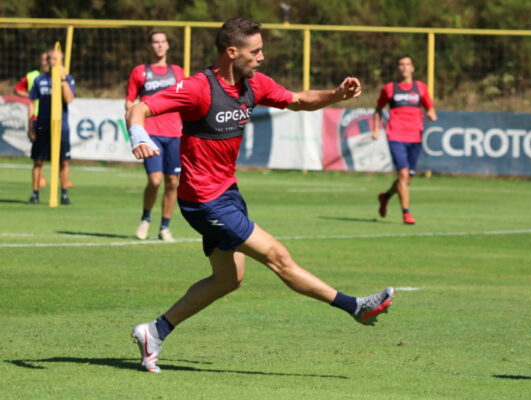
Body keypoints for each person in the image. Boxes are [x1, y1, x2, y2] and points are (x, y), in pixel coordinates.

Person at [126, 17, 394, 373]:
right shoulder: (198, 88)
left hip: (227, 193)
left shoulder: (255, 84)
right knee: (277, 256)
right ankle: (354, 306)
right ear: (231, 52)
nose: (261, 57)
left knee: (228, 279)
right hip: (204, 201)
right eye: (255, 51)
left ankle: (154, 331)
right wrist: (139, 135)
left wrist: (336, 95)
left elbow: (298, 100)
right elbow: (140, 108)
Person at [125, 29, 185, 242]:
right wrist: (135, 127)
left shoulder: (178, 72)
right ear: (149, 46)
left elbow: (186, 99)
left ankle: (165, 227)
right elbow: (130, 102)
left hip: (175, 133)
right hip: (151, 133)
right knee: (155, 179)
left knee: (172, 182)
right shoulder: (140, 72)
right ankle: (146, 218)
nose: (159, 45)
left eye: (163, 42)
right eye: (155, 42)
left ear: (168, 45)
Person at [372, 55, 437, 224]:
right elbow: (378, 109)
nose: (404, 67)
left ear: (412, 68)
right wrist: (376, 129)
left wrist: (431, 113)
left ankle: (385, 197)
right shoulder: (389, 88)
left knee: (407, 179)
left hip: (415, 136)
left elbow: (429, 105)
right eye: (401, 64)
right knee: (402, 174)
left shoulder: (420, 88)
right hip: (396, 135)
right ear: (397, 68)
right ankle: (406, 213)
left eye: (407, 64)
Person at [27, 49, 76, 205]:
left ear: (60, 60)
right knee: (38, 161)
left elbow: (69, 99)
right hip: (42, 126)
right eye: (49, 58)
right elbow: (31, 102)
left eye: (55, 58)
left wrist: (62, 80)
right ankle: (35, 195)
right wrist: (31, 126)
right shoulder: (39, 79)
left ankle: (64, 194)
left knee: (64, 161)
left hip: (61, 127)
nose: (51, 61)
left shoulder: (67, 78)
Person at [14, 51, 49, 188]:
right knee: (39, 151)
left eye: (47, 59)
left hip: (51, 117)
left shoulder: (57, 76)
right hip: (36, 116)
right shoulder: (32, 76)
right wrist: (31, 95)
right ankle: (40, 177)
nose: (45, 62)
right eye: (43, 59)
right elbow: (17, 89)